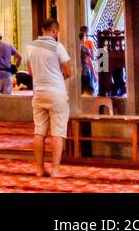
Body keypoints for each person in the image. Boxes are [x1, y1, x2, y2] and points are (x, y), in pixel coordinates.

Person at [25, 17, 72, 178]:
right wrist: (56, 76)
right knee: (57, 132)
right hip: (56, 93)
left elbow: (30, 71)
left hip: (38, 92)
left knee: (39, 132)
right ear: (53, 31)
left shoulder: (31, 46)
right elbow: (68, 72)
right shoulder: (57, 47)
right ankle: (55, 170)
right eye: (56, 32)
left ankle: (39, 169)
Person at [79, 25, 97, 95]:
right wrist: (94, 75)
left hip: (77, 73)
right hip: (85, 73)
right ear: (84, 36)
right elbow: (89, 61)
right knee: (87, 94)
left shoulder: (72, 47)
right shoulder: (84, 47)